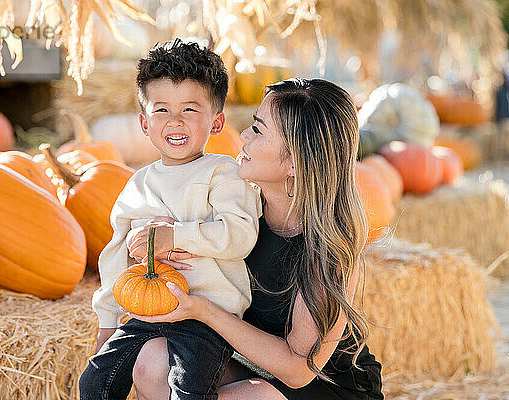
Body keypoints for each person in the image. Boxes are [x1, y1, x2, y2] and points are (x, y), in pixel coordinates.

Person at [123, 78, 384, 400]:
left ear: (294, 162)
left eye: (258, 130)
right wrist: (157, 234)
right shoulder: (232, 212)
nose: (244, 135)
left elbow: (298, 369)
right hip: (248, 362)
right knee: (153, 361)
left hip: (323, 386)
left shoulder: (327, 250)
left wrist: (202, 310)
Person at [78, 39, 262, 400]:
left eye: (190, 110)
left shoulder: (224, 174)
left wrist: (174, 237)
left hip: (207, 320)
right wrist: (107, 321)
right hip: (147, 312)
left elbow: (240, 235)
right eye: (161, 110)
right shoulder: (137, 185)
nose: (175, 121)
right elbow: (115, 257)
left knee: (187, 390)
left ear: (217, 122)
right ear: (145, 123)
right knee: (94, 383)